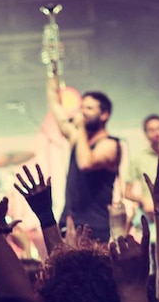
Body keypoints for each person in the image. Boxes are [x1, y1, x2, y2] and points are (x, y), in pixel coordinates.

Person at [46, 76, 121, 242]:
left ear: (104, 114)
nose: (82, 112)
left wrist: (79, 128)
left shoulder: (110, 145)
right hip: (70, 220)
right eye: (81, 107)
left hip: (95, 226)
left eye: (89, 108)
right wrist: (52, 85)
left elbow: (86, 163)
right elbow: (58, 114)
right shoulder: (78, 138)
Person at [125, 114, 159, 216]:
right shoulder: (138, 158)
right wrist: (144, 200)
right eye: (152, 130)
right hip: (151, 215)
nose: (156, 133)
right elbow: (127, 191)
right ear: (145, 134)